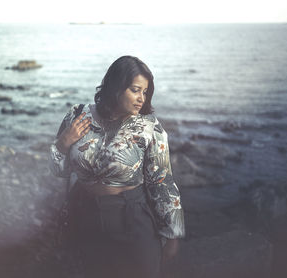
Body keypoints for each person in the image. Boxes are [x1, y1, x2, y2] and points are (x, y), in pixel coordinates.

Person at [49, 55, 185, 278]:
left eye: (145, 92)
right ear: (116, 87)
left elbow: (162, 181)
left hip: (130, 219)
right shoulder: (77, 114)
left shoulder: (150, 128)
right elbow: (58, 171)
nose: (141, 98)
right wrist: (63, 143)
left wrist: (173, 234)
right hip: (84, 216)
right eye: (135, 90)